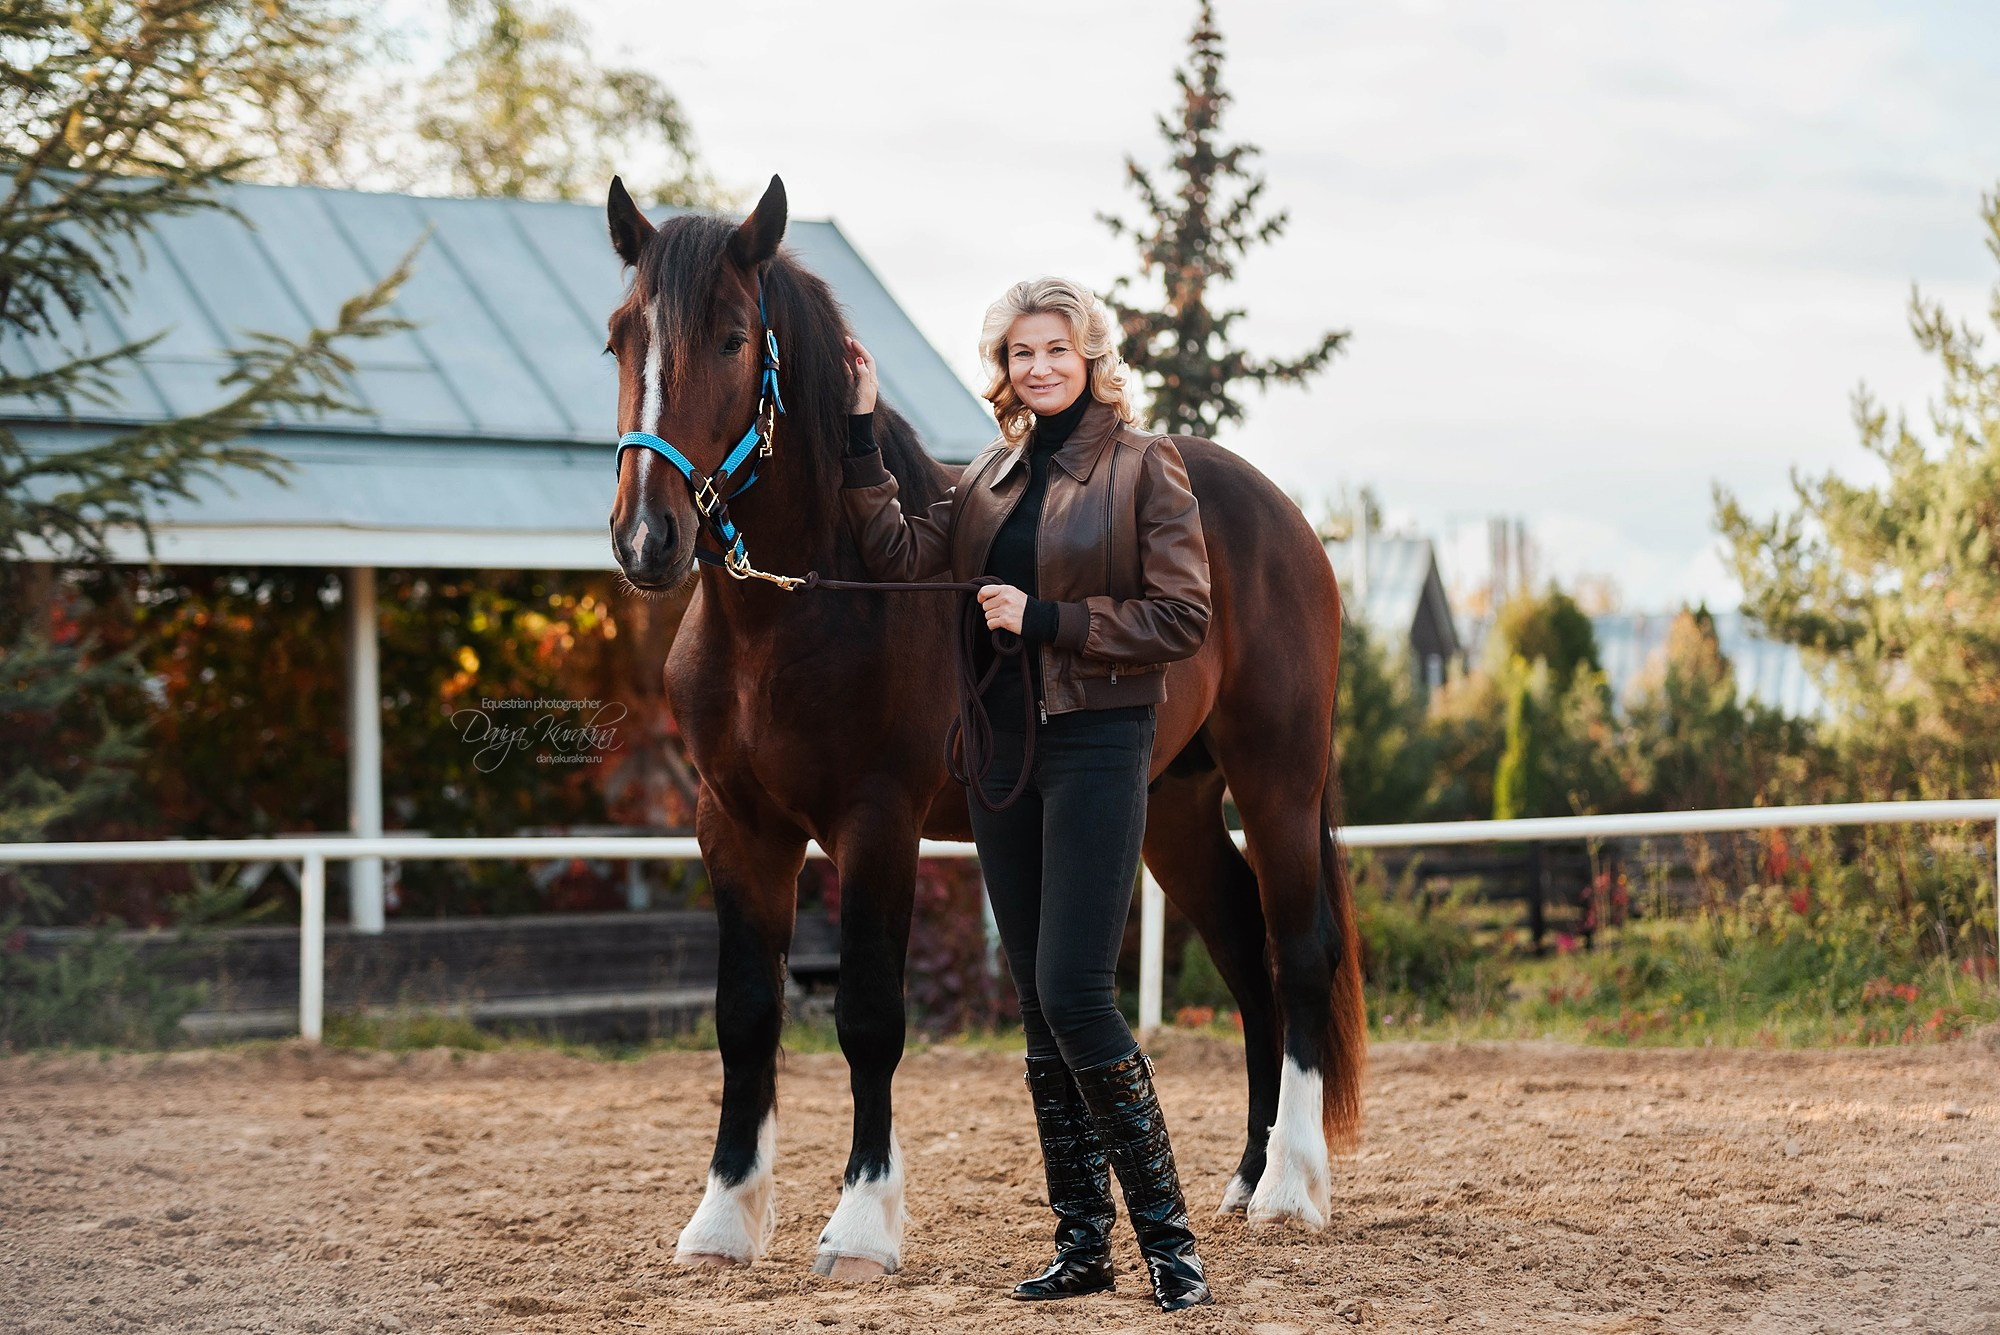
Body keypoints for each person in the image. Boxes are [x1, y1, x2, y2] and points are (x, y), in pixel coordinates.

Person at [840, 276, 1214, 1312]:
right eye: (1017, 353)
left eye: (1054, 349)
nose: (1035, 367)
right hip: (1000, 757)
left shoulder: (1145, 467)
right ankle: (1081, 1245)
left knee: (1077, 995)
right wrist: (863, 431)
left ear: (1090, 356)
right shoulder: (989, 479)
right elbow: (904, 559)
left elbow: (1180, 616)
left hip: (1097, 742)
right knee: (1039, 1017)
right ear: (1001, 369)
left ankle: (1169, 1246)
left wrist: (1047, 620)